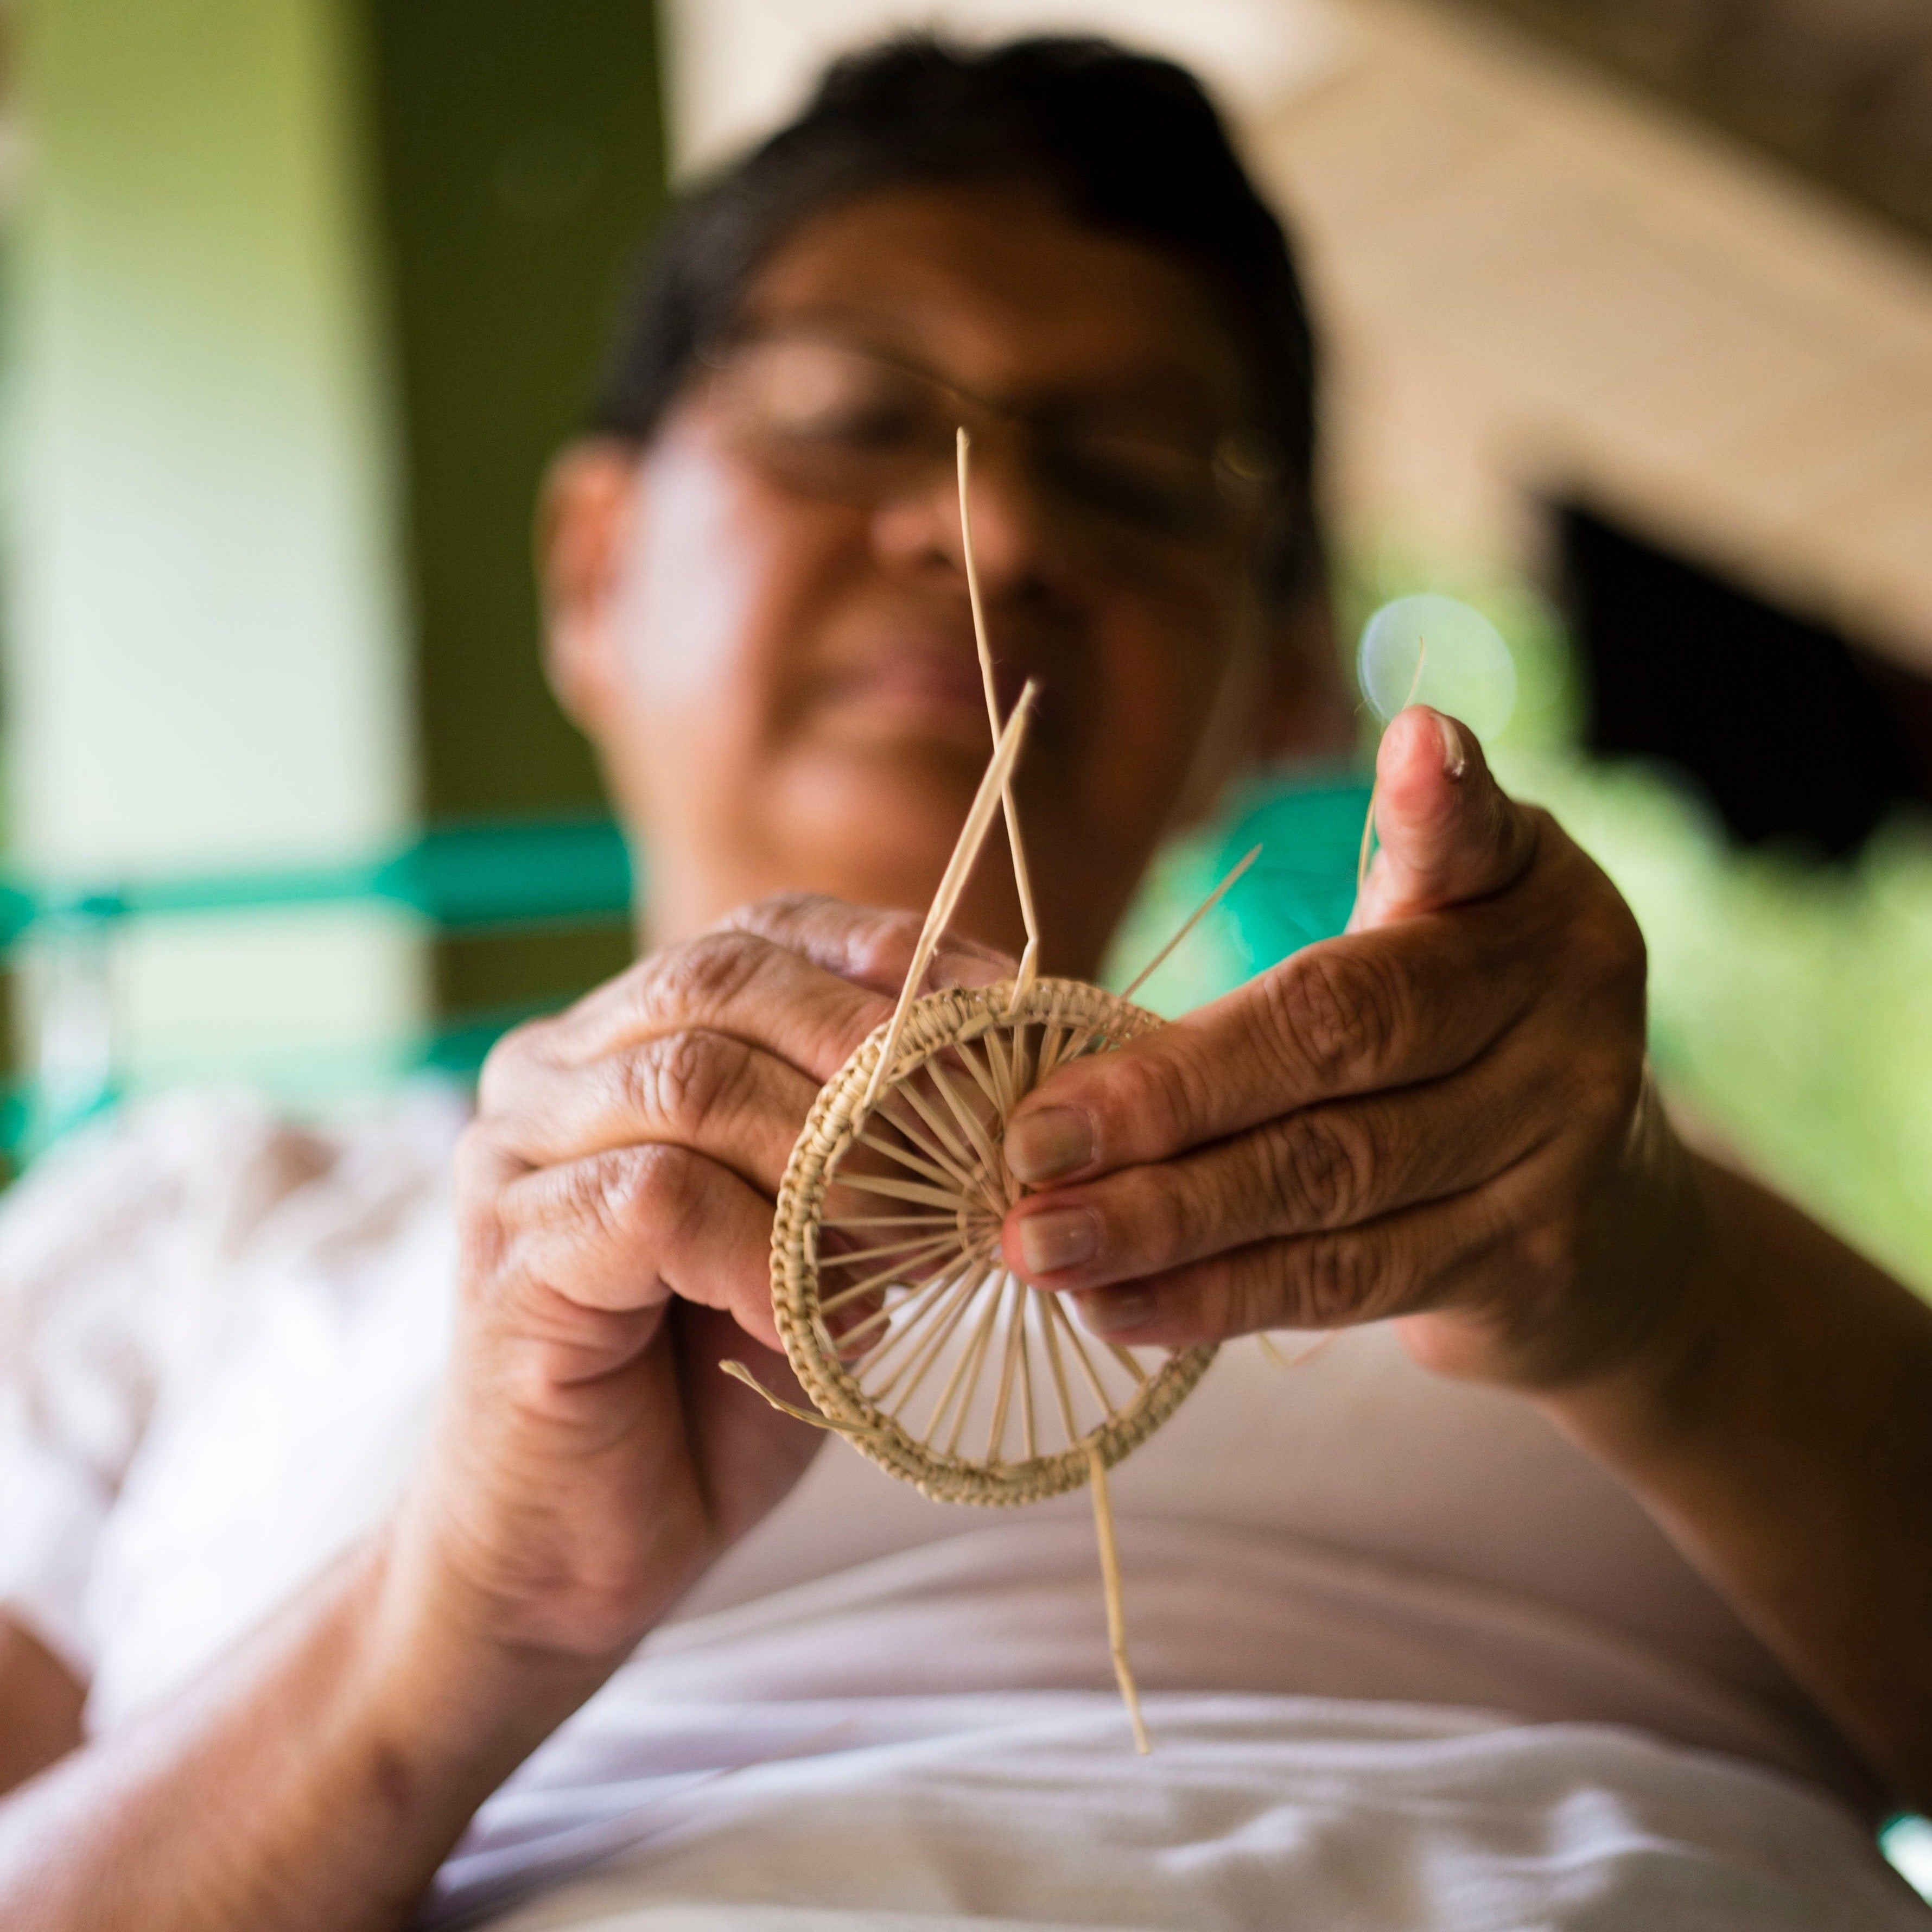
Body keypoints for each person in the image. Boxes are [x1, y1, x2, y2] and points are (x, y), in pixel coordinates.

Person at [1, 35, 1928, 1931]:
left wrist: (1667, 1299)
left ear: (1278, 673)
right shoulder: (195, 1235)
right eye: (846, 419)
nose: (995, 531)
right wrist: (456, 1626)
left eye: (1144, 473)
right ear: (596, 566)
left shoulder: (1574, 1214)